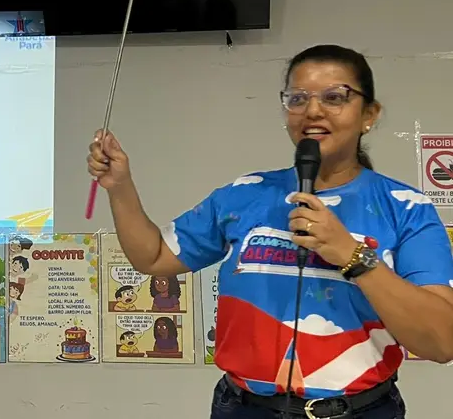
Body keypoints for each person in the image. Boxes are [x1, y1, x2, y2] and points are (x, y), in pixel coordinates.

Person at [87, 44, 453, 418]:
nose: (313, 110)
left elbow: (442, 342)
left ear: (369, 115)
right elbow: (153, 257)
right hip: (244, 407)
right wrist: (120, 187)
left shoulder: (405, 207)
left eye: (334, 97)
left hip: (359, 410)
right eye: (298, 98)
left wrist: (352, 255)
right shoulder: (245, 194)